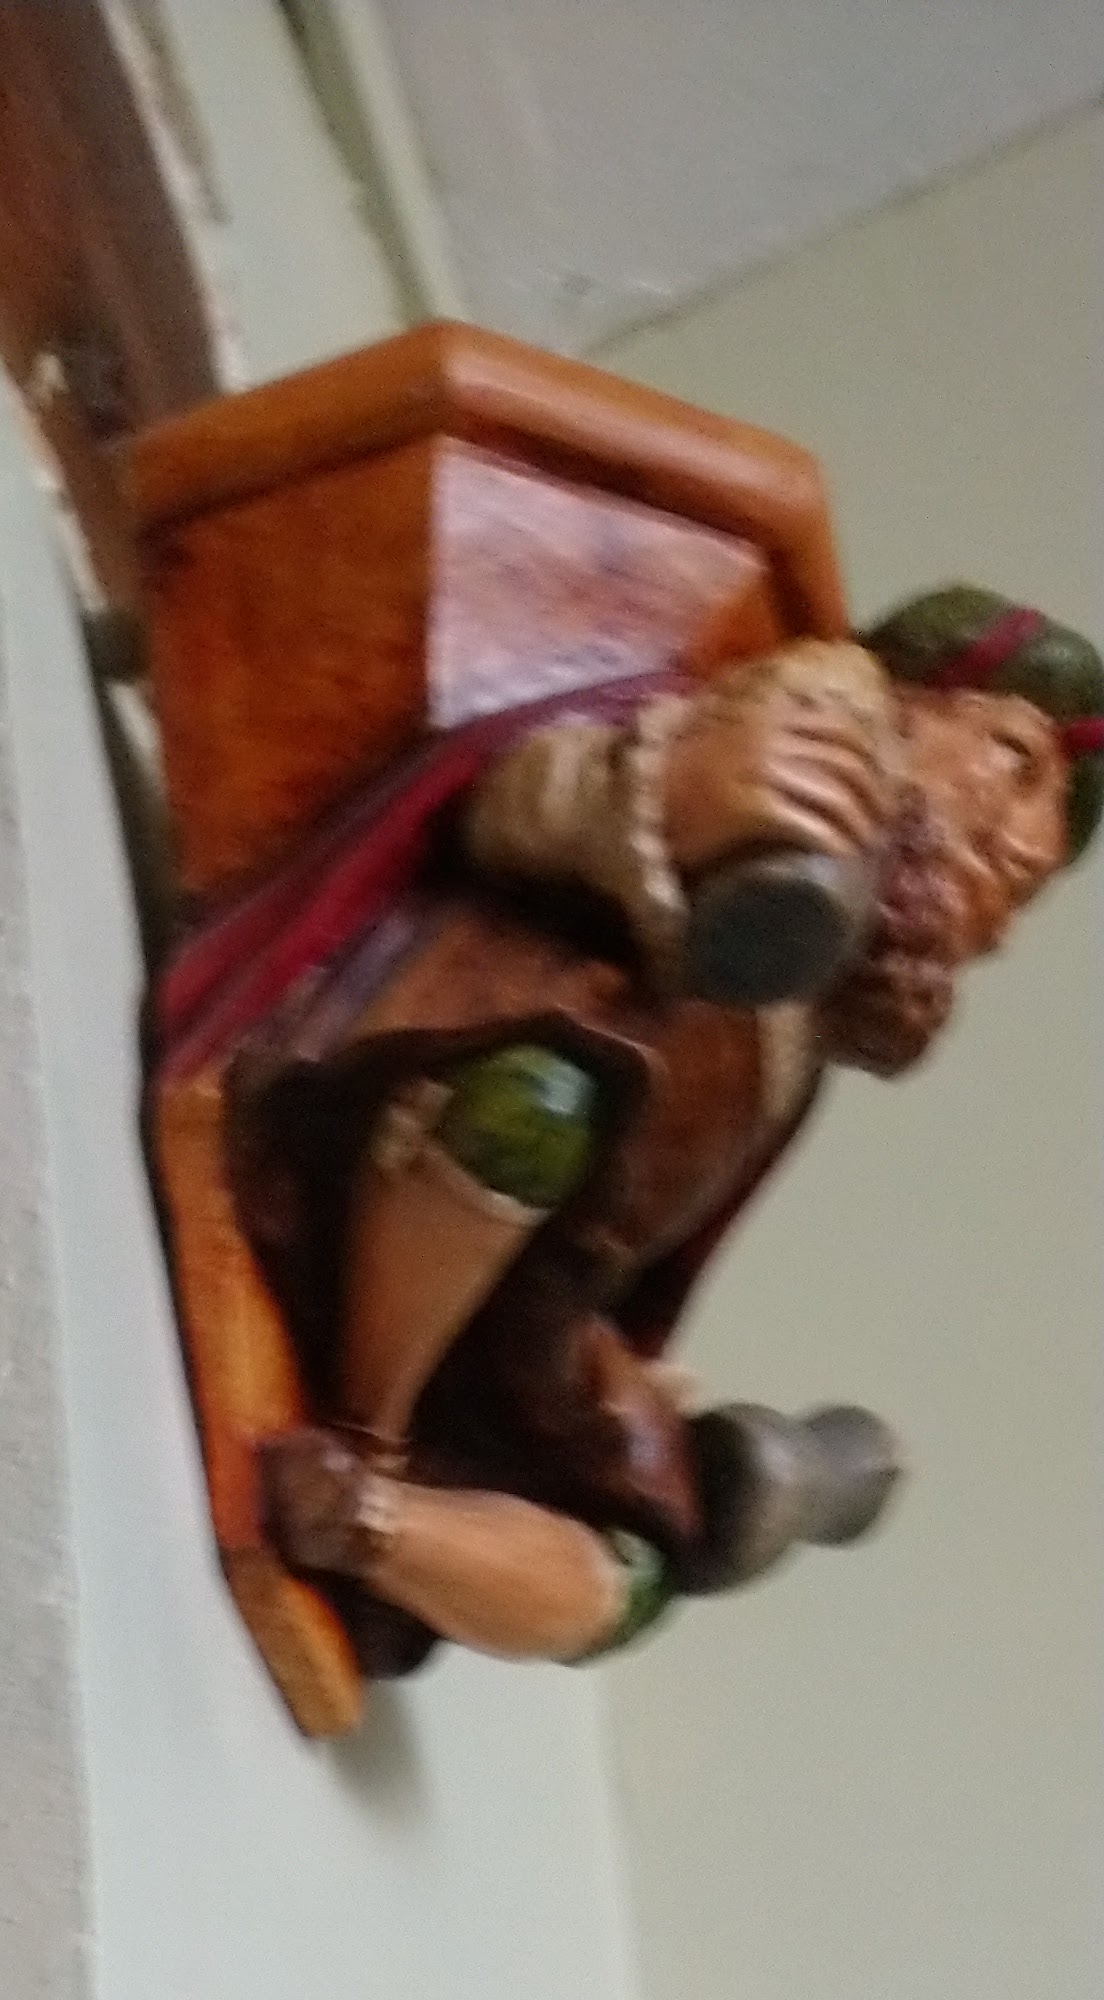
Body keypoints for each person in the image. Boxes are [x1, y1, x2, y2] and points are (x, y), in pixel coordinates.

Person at [216, 589, 1098, 1673]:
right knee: (538, 1102)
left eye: (1041, 866)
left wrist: (635, 1383)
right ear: (902, 708)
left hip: (515, 1322)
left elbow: (659, 1240)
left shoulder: (801, 1033)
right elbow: (509, 793)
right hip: (369, 1147)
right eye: (1014, 763)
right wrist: (669, 793)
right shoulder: (732, 758)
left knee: (645, 1557)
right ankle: (364, 1430)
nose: (1026, 844)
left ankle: (376, 1527)